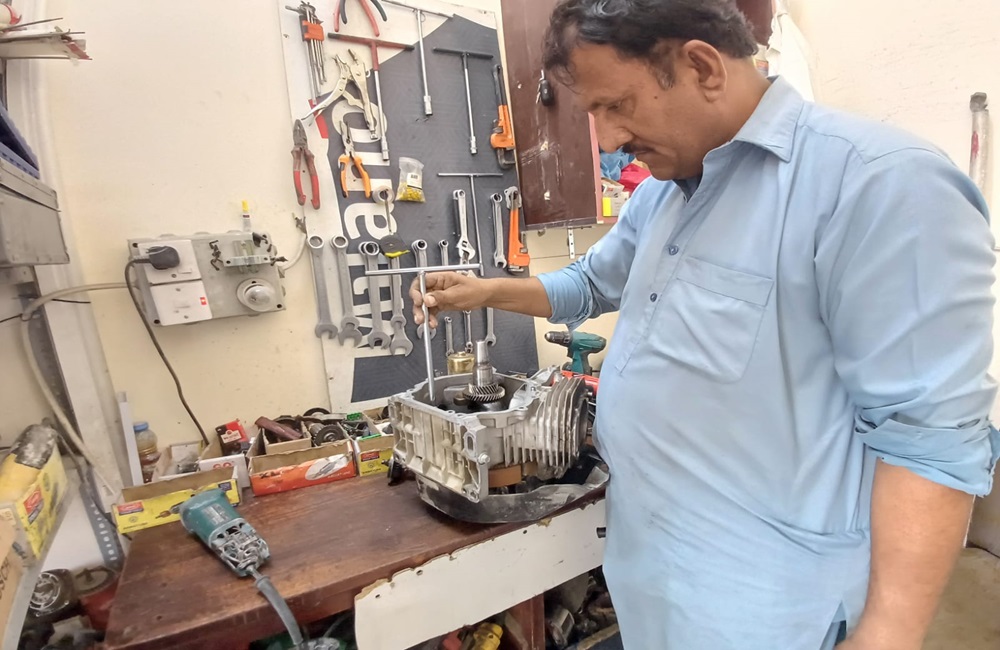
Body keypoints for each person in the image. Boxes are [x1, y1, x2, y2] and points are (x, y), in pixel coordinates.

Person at [410, 1, 1000, 647]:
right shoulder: (662, 191)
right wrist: (483, 291)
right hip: (651, 576)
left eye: (617, 105)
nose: (608, 140)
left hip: (767, 608)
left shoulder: (880, 186)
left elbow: (929, 441)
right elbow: (592, 284)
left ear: (702, 67)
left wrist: (887, 634)